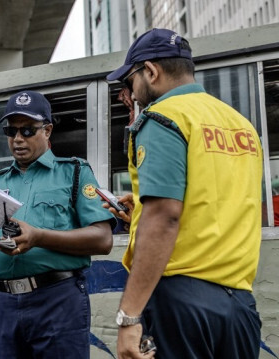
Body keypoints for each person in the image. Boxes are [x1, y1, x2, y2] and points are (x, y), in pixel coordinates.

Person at [106, 28, 263, 359]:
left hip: (181, 303)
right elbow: (218, 199)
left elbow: (164, 216)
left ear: (151, 71)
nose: (131, 93)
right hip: (239, 305)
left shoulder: (164, 117)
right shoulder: (242, 126)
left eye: (130, 81)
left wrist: (129, 316)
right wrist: (142, 207)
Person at [0, 90, 115, 358]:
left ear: (47, 130)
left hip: (57, 300)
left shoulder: (74, 172)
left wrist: (39, 237)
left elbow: (103, 240)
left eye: (28, 130)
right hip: (4, 302)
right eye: (11, 131)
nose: (18, 139)